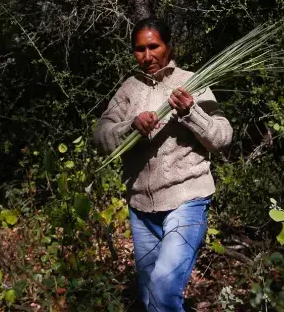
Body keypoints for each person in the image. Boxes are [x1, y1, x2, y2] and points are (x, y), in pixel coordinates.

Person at [94, 17, 233, 312]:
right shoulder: (128, 89)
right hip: (141, 208)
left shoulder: (192, 83)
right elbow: (101, 134)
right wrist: (130, 126)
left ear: (168, 46)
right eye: (139, 49)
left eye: (154, 47)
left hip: (186, 200)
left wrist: (191, 112)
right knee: (147, 296)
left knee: (163, 291)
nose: (147, 57)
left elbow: (222, 137)